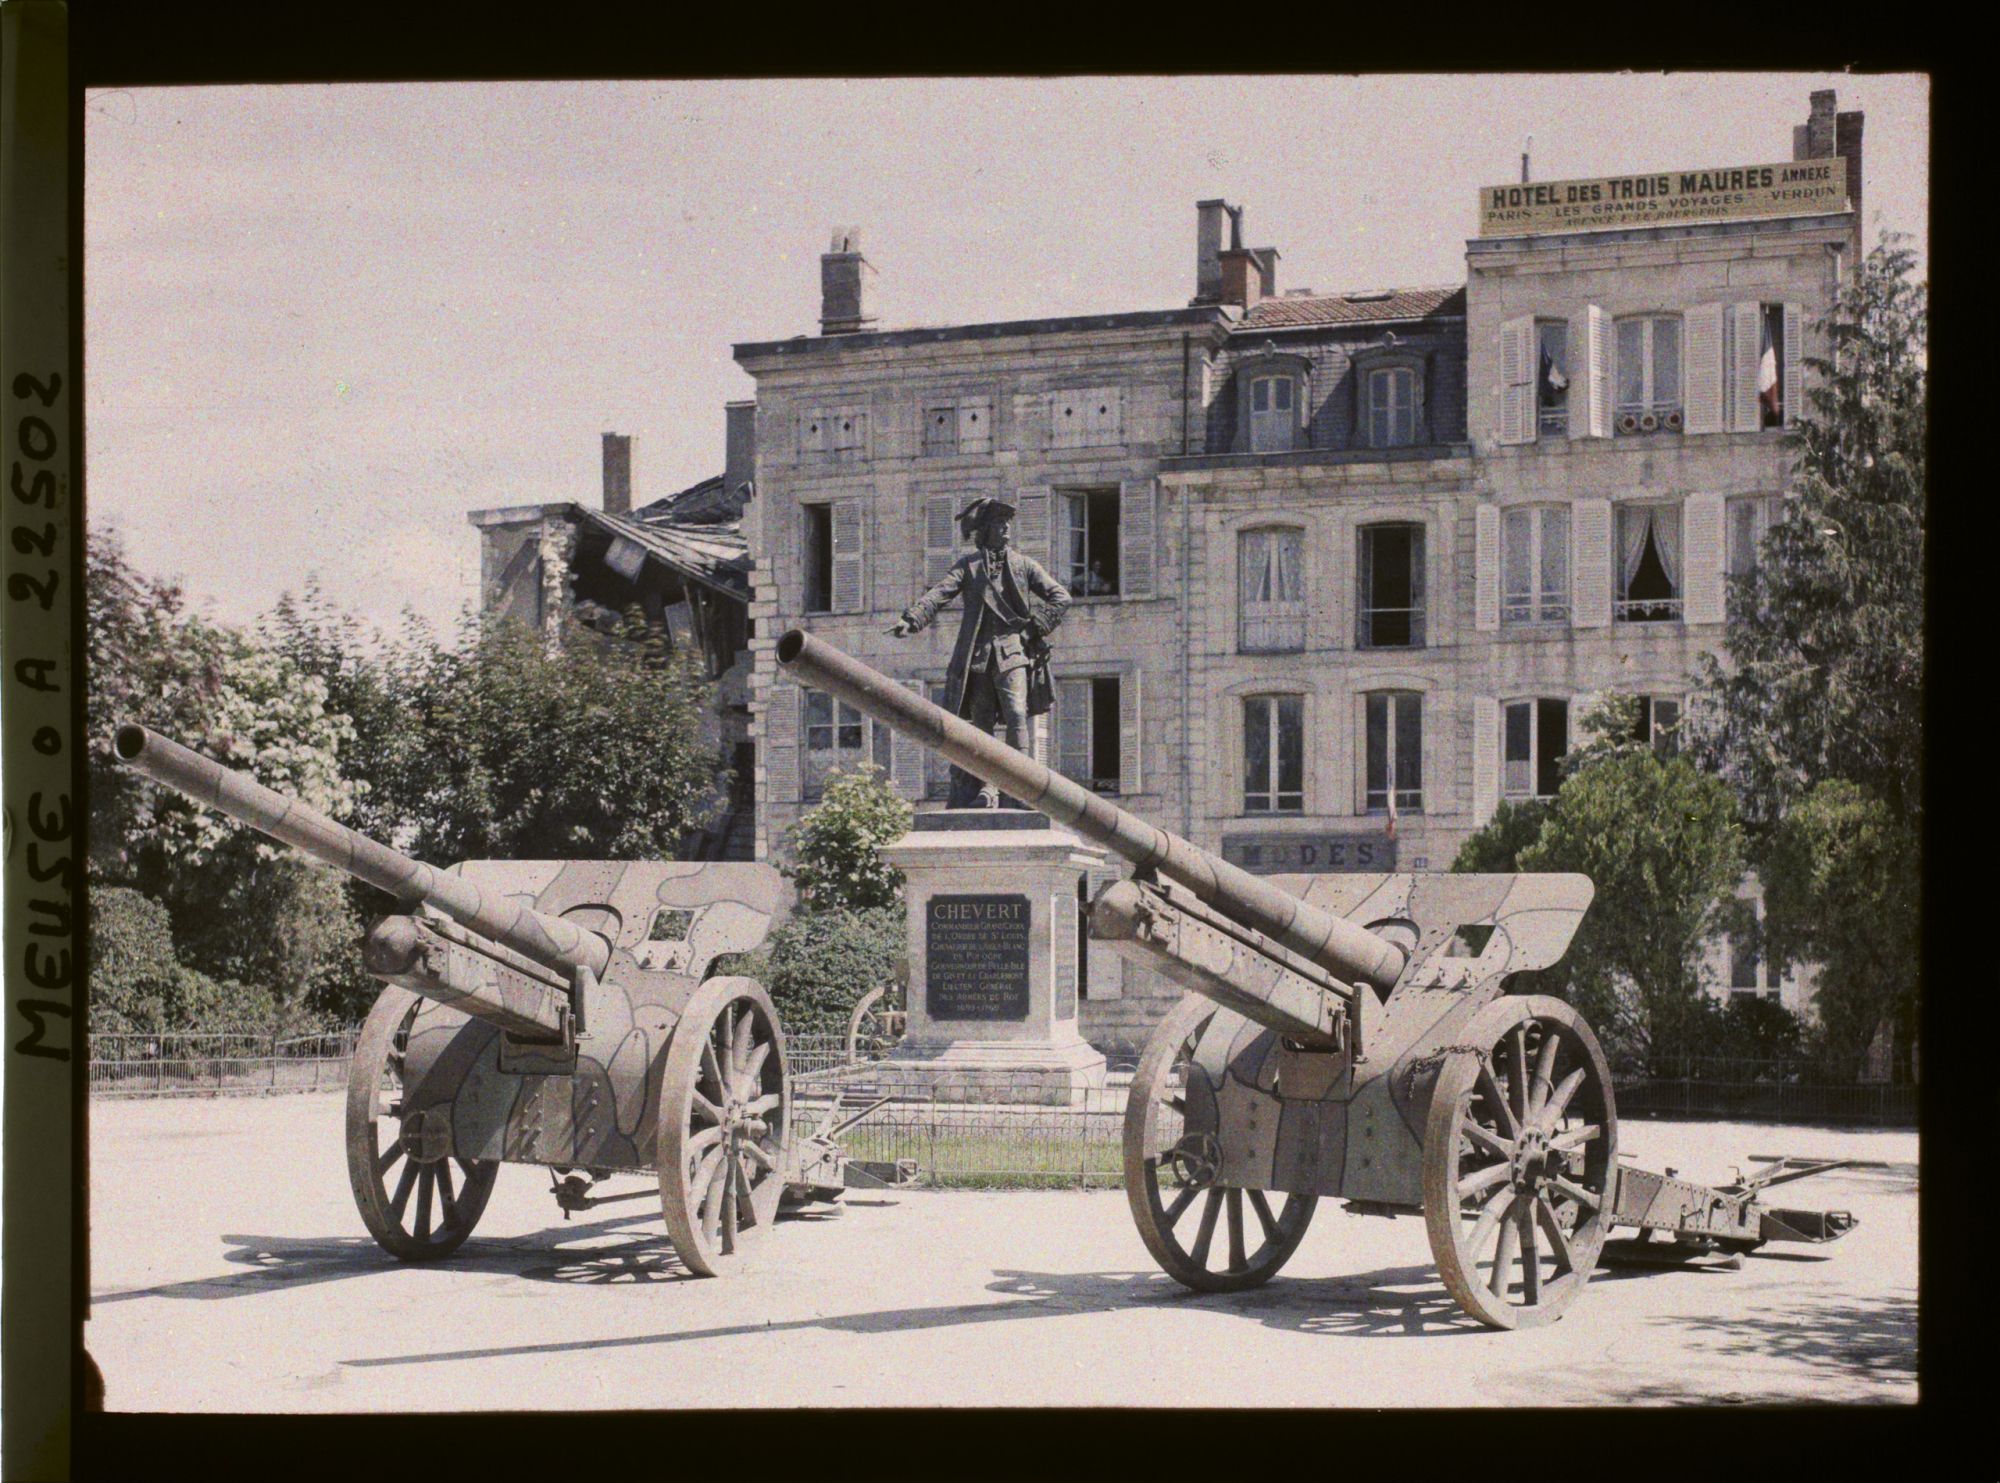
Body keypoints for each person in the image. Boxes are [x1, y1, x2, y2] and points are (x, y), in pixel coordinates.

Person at [887, 497, 1070, 807]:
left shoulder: (1024, 565)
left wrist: (1032, 629)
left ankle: (1020, 787)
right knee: (981, 725)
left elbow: (1060, 597)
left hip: (1014, 652)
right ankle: (987, 788)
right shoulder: (968, 567)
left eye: (1007, 523)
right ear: (985, 531)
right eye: (999, 524)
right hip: (979, 657)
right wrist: (913, 619)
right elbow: (939, 594)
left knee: (1016, 716)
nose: (1006, 529)